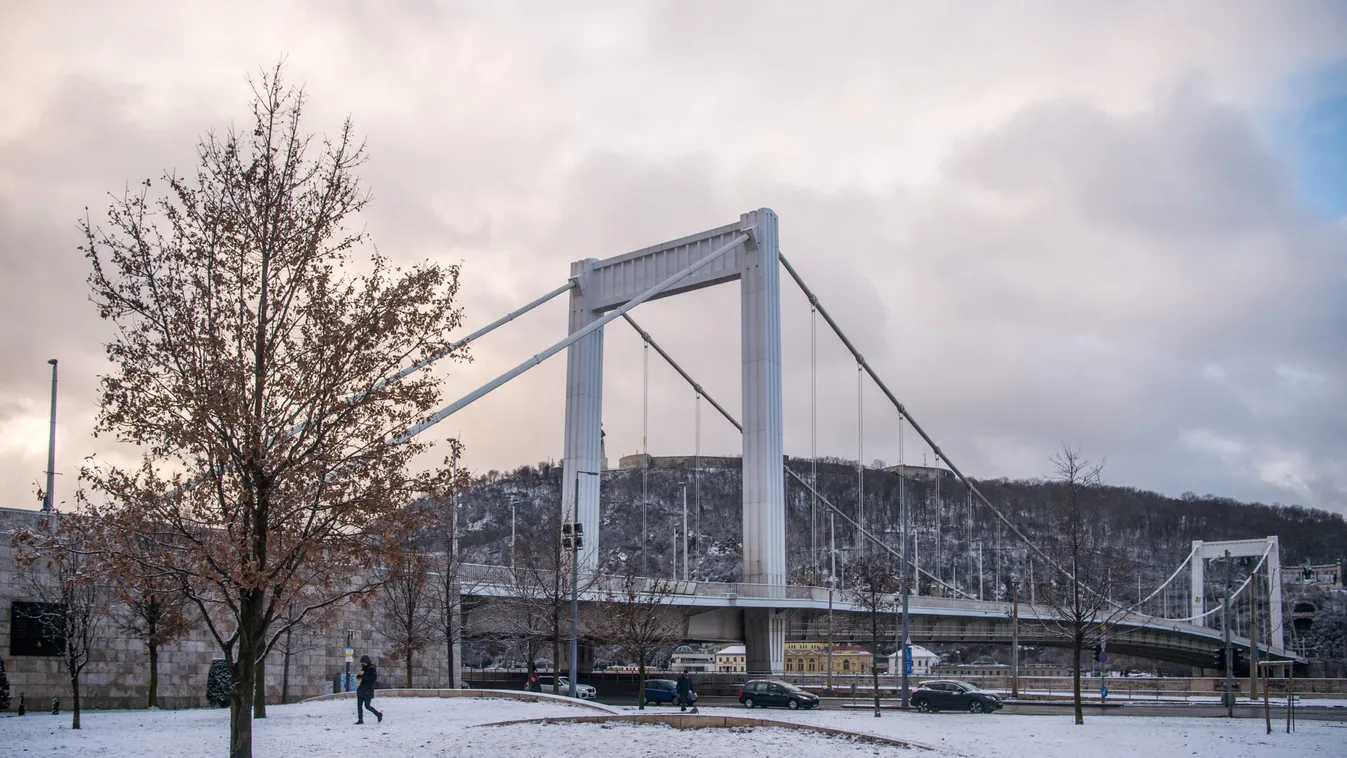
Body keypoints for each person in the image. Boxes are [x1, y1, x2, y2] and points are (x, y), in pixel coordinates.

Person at [355, 655, 383, 724]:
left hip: (368, 690)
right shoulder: (363, 669)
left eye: (363, 662)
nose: (362, 664)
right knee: (359, 705)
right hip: (361, 689)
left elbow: (373, 679)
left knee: (367, 706)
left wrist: (364, 677)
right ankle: (360, 719)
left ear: (367, 662)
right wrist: (359, 677)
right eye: (362, 663)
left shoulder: (372, 669)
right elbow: (359, 676)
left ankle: (378, 714)